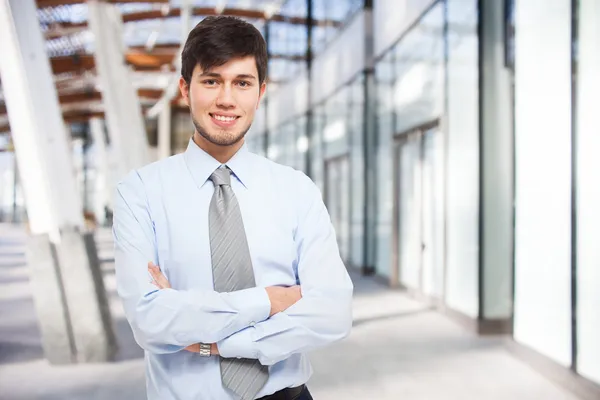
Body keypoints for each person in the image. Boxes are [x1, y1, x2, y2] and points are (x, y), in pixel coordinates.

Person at [112, 15, 353, 400]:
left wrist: (214, 342)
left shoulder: (296, 190)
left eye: (242, 83)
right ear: (185, 89)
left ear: (260, 92)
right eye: (211, 81)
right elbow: (150, 321)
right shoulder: (140, 192)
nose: (227, 98)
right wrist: (271, 300)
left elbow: (334, 312)